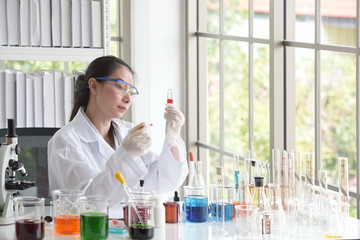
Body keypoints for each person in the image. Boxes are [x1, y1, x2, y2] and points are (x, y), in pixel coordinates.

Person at [48, 55, 188, 217]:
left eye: (131, 92)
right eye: (120, 87)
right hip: (86, 231)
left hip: (126, 227)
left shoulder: (126, 131)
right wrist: (127, 154)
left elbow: (162, 181)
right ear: (94, 86)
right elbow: (90, 202)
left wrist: (172, 141)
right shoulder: (65, 140)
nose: (128, 99)